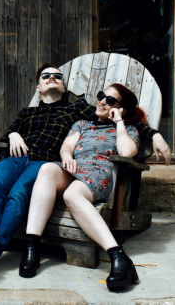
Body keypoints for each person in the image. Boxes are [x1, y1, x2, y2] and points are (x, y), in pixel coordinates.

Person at [0, 64, 171, 277]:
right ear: (38, 88)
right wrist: (13, 134)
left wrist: (155, 134)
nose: (103, 101)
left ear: (65, 88)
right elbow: (59, 144)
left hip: (47, 162)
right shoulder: (30, 113)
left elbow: (128, 133)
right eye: (45, 76)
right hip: (22, 159)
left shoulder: (77, 109)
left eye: (57, 75)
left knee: (17, 195)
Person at [19, 83, 146, 289]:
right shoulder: (82, 124)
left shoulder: (128, 130)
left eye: (111, 100)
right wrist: (67, 157)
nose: (103, 101)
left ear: (121, 108)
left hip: (98, 174)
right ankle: (32, 247)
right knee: (47, 170)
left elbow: (126, 152)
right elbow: (67, 146)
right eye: (102, 95)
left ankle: (118, 257)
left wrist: (120, 121)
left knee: (72, 194)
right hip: (73, 168)